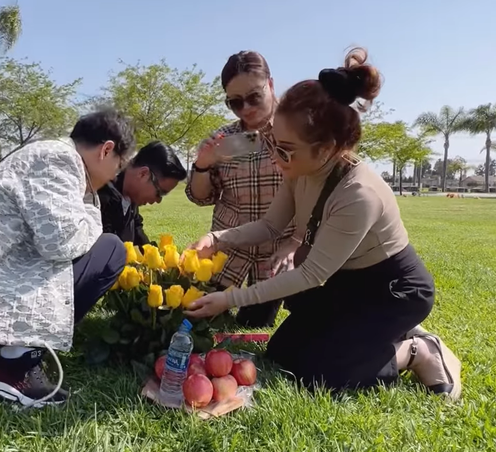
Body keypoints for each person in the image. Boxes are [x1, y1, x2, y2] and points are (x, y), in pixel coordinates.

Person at [185, 48, 462, 399]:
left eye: (286, 149)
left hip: (392, 291)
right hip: (345, 283)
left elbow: (311, 275)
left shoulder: (358, 193)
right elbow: (271, 227)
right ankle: (388, 335)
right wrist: (218, 238)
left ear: (328, 147)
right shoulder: (300, 169)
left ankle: (418, 350)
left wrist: (230, 300)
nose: (276, 158)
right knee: (283, 354)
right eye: (276, 146)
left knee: (323, 374)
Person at [0, 109, 136, 407]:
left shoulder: (48, 156)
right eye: (119, 165)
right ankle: (10, 365)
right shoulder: (59, 160)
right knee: (110, 250)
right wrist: (91, 214)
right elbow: (61, 243)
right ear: (106, 150)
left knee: (99, 247)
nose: (115, 175)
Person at [185, 51, 295, 328]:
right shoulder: (224, 139)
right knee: (198, 319)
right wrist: (202, 165)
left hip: (275, 257)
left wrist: (297, 245)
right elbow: (200, 197)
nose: (246, 108)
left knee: (253, 323)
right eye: (235, 102)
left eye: (254, 97)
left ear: (270, 85)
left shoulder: (297, 131)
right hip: (228, 252)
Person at [98, 141, 186, 246]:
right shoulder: (100, 196)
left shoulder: (130, 196)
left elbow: (137, 230)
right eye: (160, 192)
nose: (158, 200)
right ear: (143, 174)